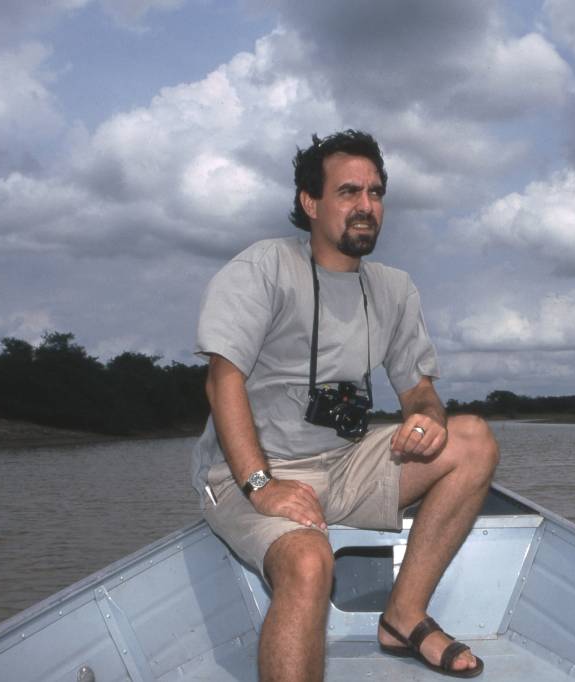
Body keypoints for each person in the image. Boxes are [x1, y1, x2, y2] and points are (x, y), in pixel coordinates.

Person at [189, 129, 498, 681]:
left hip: (345, 466)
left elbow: (419, 390)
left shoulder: (394, 289)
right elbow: (222, 383)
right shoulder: (264, 267)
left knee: (471, 439)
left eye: (376, 193)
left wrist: (426, 418)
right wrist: (262, 486)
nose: (366, 207)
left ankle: (403, 615)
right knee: (310, 563)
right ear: (311, 203)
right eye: (349, 192)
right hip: (252, 471)